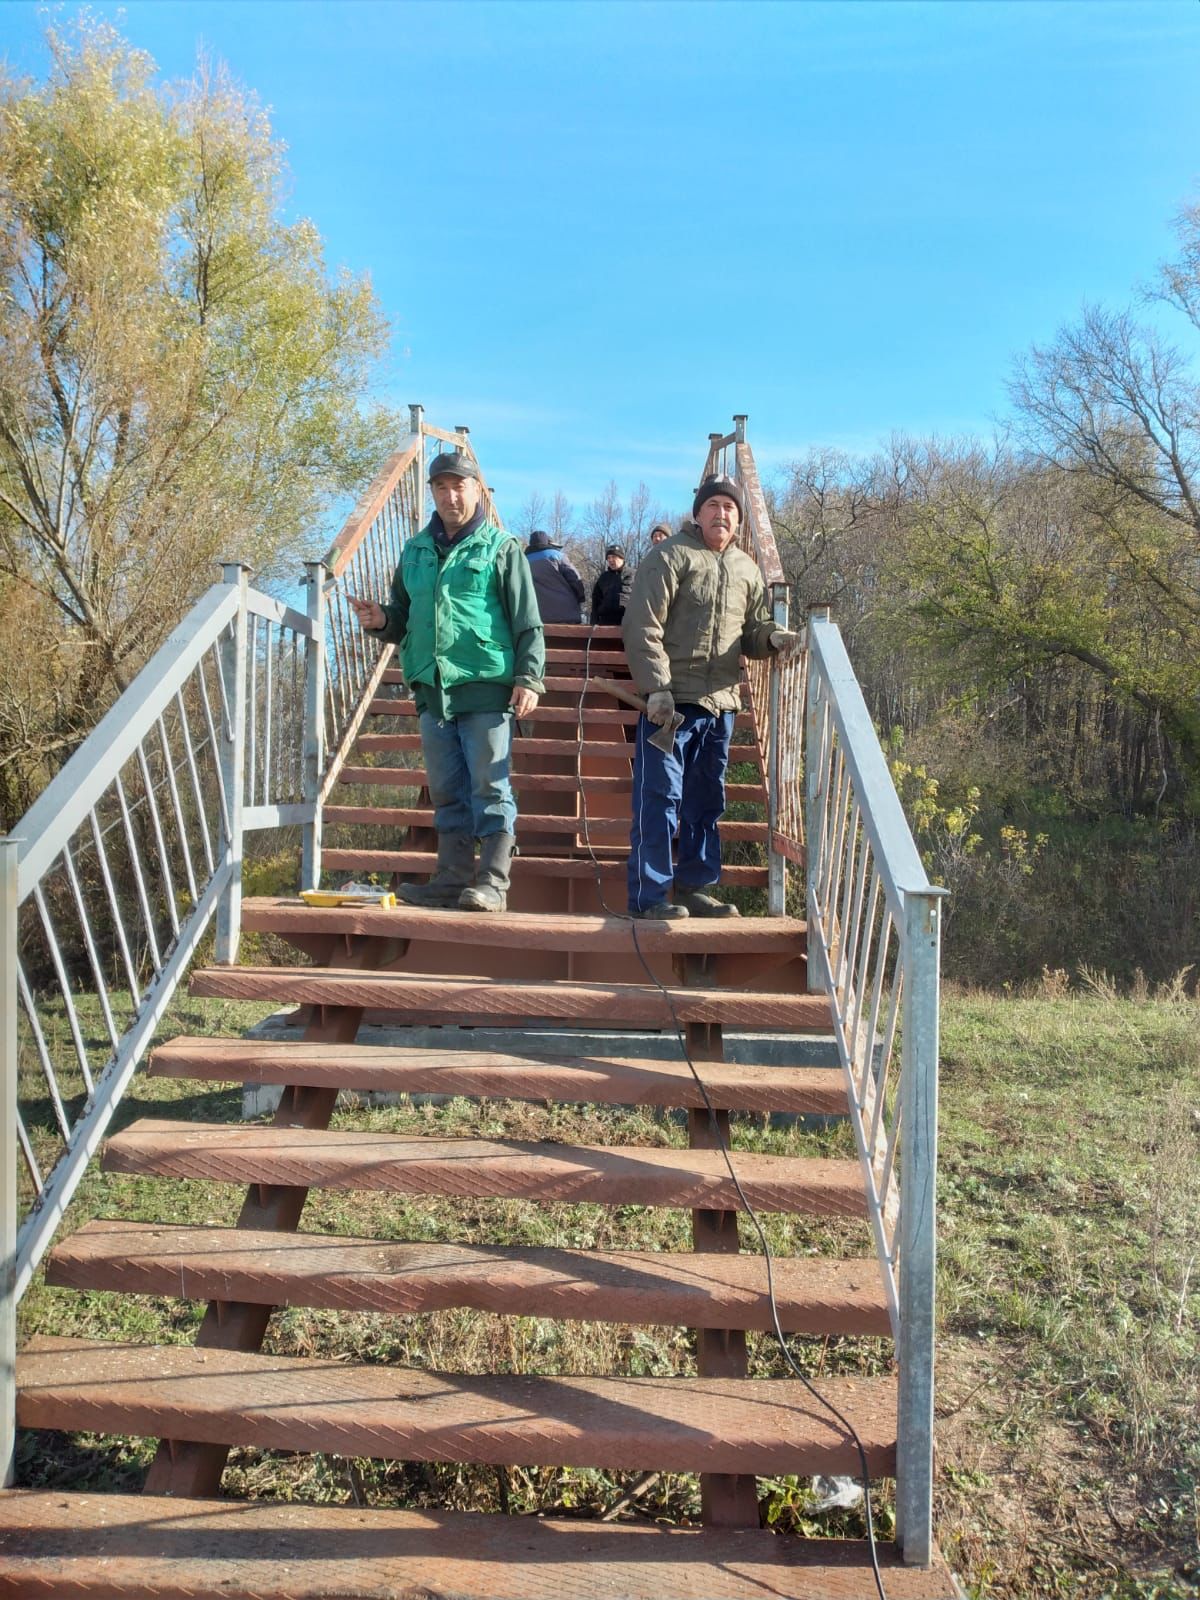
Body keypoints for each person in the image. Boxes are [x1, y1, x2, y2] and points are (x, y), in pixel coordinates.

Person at [348, 450, 544, 913]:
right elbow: (403, 618)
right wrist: (381, 620)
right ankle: (452, 878)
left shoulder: (502, 547)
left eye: (459, 486)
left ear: (477, 490)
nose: (451, 495)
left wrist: (529, 677)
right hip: (432, 689)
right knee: (447, 789)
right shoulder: (415, 550)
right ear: (432, 493)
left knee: (489, 786)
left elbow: (528, 622)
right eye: (441, 487)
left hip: (485, 686)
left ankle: (493, 883)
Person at [621, 474, 802, 920]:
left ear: (739, 520)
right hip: (671, 707)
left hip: (720, 705)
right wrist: (657, 687)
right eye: (714, 506)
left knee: (706, 802)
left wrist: (772, 638)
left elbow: (752, 631)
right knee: (659, 798)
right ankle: (649, 898)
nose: (722, 514)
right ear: (698, 512)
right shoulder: (668, 556)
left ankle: (694, 887)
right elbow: (642, 626)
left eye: (730, 508)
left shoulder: (746, 569)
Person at [525, 529, 586, 623]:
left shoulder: (523, 561)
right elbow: (575, 579)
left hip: (536, 617)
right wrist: (580, 597)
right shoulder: (557, 556)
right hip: (566, 614)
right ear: (546, 542)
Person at [590, 544, 633, 626]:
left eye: (613, 557)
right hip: (605, 622)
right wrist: (594, 621)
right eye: (608, 558)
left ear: (622, 558)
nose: (610, 560)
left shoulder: (633, 575)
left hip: (627, 622)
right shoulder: (603, 577)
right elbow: (596, 600)